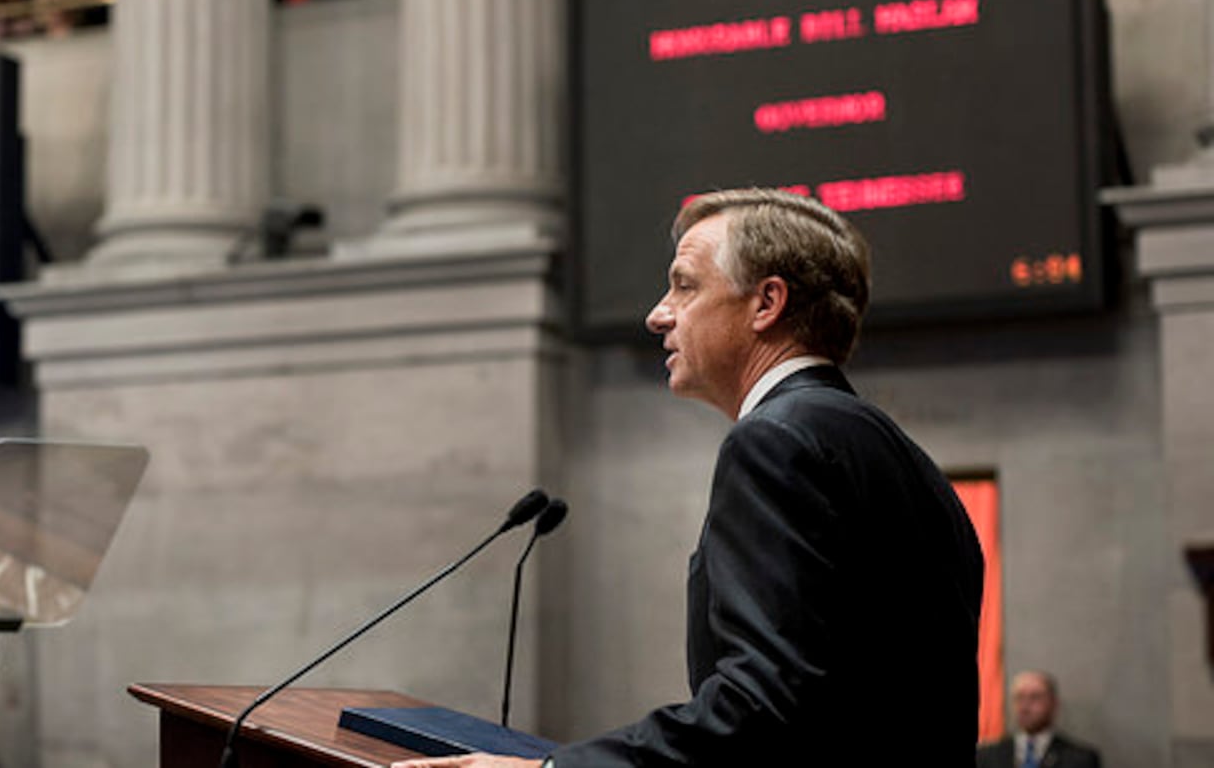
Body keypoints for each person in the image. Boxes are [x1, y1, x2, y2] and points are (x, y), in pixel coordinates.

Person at [396, 189, 984, 768]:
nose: (658, 314)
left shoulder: (773, 442)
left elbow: (764, 704)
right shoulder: (911, 465)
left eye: (684, 284)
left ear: (766, 303)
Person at [977, 672, 1103, 768]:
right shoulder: (986, 756)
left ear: (1054, 704)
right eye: (1019, 698)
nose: (1025, 706)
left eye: (1035, 697)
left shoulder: (1080, 759)